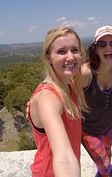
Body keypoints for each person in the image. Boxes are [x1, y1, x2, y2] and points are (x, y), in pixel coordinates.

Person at [27, 26, 88, 177]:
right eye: (61, 51)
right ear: (48, 57)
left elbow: (101, 67)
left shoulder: (69, 86)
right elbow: (64, 158)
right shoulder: (49, 98)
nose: (70, 57)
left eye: (74, 50)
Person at [81, 25, 112, 177]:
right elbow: (62, 91)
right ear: (95, 49)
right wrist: (37, 100)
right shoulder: (85, 73)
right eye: (102, 44)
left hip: (110, 125)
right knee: (103, 164)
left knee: (107, 154)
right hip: (89, 130)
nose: (108, 47)